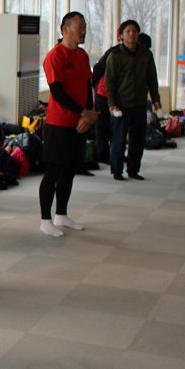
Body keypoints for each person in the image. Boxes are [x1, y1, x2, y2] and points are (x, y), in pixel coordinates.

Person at [39, 12, 97, 237]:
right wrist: (83, 112)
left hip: (79, 123)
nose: (83, 31)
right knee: (54, 171)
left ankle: (61, 214)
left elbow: (88, 88)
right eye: (79, 27)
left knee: (70, 170)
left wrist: (88, 115)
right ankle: (45, 219)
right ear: (65, 30)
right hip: (59, 123)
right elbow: (57, 92)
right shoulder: (55, 56)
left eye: (84, 27)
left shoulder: (82, 55)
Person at [104, 19, 161, 181]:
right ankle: (117, 170)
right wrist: (112, 104)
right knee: (119, 140)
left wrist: (156, 99)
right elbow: (109, 82)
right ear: (121, 35)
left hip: (140, 104)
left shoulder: (146, 54)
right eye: (128, 31)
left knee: (138, 140)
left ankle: (133, 170)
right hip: (120, 106)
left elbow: (152, 79)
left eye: (135, 31)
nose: (132, 34)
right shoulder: (115, 55)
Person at [89, 24, 124, 165]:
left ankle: (115, 153)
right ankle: (102, 153)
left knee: (116, 127)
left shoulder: (137, 56)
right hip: (103, 93)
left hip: (120, 96)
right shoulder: (114, 52)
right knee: (102, 125)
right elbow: (98, 69)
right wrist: (95, 87)